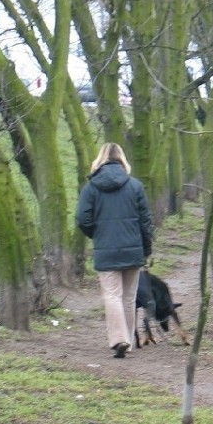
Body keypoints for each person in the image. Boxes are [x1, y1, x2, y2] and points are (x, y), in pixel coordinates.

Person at [76, 142, 153, 358]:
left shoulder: (90, 188)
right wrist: (146, 249)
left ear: (99, 160)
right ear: (123, 159)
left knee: (112, 295)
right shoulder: (135, 186)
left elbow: (83, 219)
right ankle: (126, 341)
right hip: (133, 250)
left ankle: (119, 339)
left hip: (106, 249)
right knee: (128, 297)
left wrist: (97, 235)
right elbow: (146, 222)